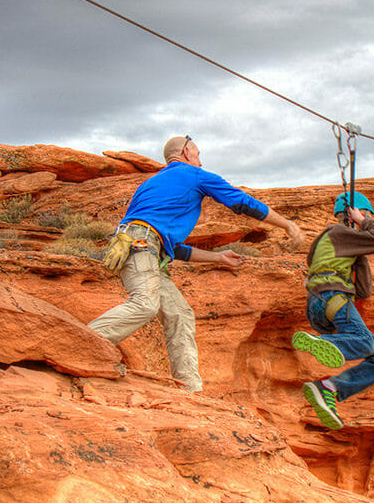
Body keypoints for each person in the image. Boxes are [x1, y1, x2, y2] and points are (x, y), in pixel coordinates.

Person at [89, 135, 305, 392]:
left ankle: (189, 389)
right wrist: (287, 224)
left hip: (143, 248)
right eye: (198, 153)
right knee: (145, 304)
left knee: (180, 314)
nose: (201, 161)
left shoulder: (151, 184)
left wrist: (217, 257)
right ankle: (81, 344)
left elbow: (172, 247)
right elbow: (241, 202)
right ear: (187, 152)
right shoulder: (194, 175)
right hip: (142, 246)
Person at [292, 191, 374, 429]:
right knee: (364, 342)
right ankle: (328, 343)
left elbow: (364, 291)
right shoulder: (339, 232)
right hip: (332, 298)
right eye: (365, 215)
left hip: (319, 306)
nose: (365, 221)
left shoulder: (334, 243)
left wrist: (359, 256)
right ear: (354, 214)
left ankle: (329, 388)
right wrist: (363, 222)